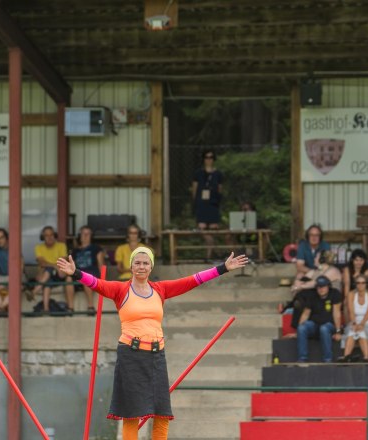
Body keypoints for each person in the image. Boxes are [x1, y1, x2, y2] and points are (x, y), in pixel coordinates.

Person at [56, 247, 248, 440]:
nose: (141, 266)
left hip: (156, 356)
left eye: (145, 263)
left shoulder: (160, 289)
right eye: (137, 263)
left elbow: (193, 280)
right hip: (130, 355)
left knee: (162, 414)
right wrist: (76, 273)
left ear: (151, 266)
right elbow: (97, 283)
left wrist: (223, 268)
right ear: (131, 266)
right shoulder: (121, 289)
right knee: (131, 414)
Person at [296, 275, 344, 363]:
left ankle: (327, 360)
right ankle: (302, 358)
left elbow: (337, 313)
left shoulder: (334, 293)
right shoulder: (312, 295)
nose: (321, 289)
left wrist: (338, 331)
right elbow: (305, 314)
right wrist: (298, 331)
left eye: (323, 286)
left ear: (328, 286)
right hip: (315, 325)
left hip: (330, 325)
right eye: (319, 287)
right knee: (302, 328)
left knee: (324, 328)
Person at [191, 149, 223, 260]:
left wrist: (217, 202)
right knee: (202, 228)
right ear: (204, 159)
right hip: (202, 204)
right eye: (207, 157)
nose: (209, 160)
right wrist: (196, 203)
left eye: (211, 157)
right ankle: (216, 251)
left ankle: (208, 255)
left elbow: (220, 189)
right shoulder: (198, 173)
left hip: (213, 204)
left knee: (213, 228)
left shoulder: (218, 174)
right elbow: (194, 189)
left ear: (214, 159)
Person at [339, 274, 368, 362]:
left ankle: (364, 357)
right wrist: (354, 323)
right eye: (358, 283)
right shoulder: (351, 294)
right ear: (355, 284)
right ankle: (348, 357)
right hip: (354, 321)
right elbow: (351, 311)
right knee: (353, 331)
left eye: (363, 283)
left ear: (366, 284)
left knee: (361, 331)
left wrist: (362, 324)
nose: (360, 285)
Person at [31, 226, 68, 314]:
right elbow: (42, 263)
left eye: (51, 235)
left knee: (49, 269)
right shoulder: (38, 247)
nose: (49, 237)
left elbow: (62, 263)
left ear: (55, 236)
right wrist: (54, 266)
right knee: (47, 282)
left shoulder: (61, 246)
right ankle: (46, 309)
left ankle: (34, 291)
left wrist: (54, 267)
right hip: (46, 275)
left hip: (59, 274)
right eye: (46, 235)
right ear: (43, 237)